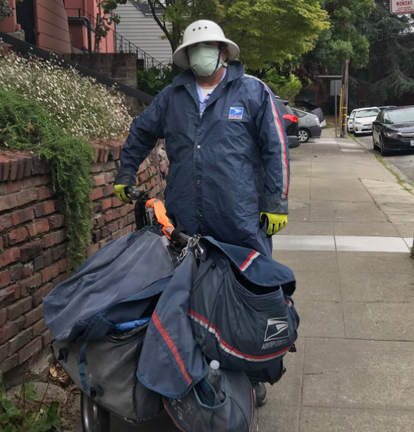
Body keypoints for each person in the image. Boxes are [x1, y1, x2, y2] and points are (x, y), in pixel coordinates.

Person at [113, 20, 290, 406]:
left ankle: (254, 373)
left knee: (251, 298)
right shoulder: (172, 97)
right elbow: (141, 131)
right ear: (186, 56)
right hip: (185, 219)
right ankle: (198, 369)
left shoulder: (253, 91)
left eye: (208, 47)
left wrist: (275, 202)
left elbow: (276, 147)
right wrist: (126, 171)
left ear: (223, 51)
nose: (201, 54)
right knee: (191, 295)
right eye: (194, 48)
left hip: (240, 218)